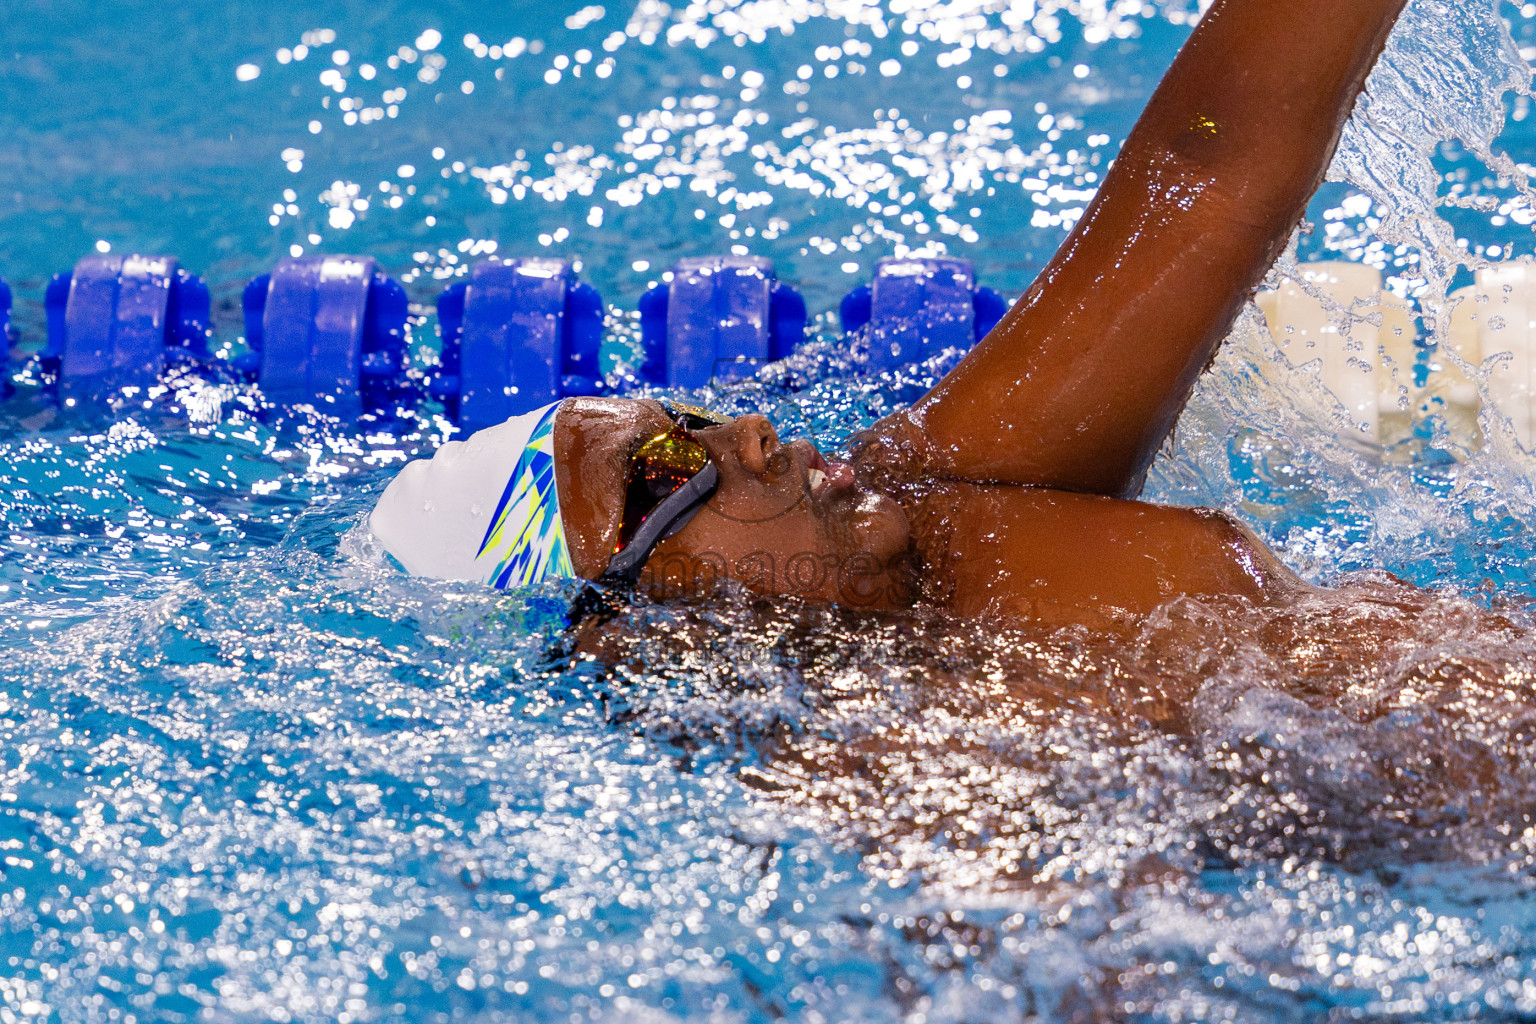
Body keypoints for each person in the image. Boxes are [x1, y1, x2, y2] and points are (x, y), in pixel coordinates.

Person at [371, 0, 1412, 630]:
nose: (746, 435)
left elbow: (1206, 176)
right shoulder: (892, 782)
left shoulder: (939, 498)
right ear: (625, 626)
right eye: (662, 473)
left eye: (685, 420)